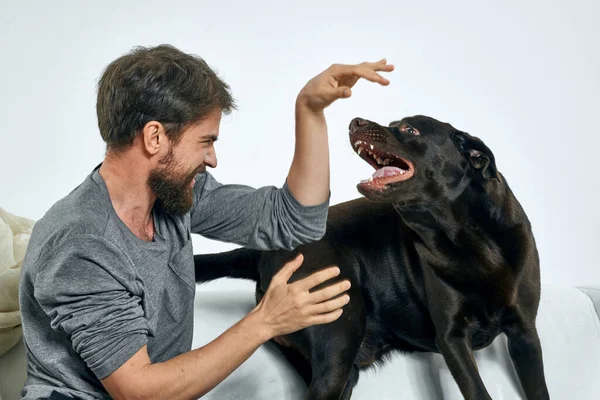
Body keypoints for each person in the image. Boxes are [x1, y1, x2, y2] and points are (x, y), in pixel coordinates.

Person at [18, 44, 393, 400]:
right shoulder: (80, 244)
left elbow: (296, 221)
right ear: (155, 137)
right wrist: (266, 321)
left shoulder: (175, 195)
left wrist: (310, 110)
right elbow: (139, 391)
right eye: (205, 141)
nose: (212, 159)